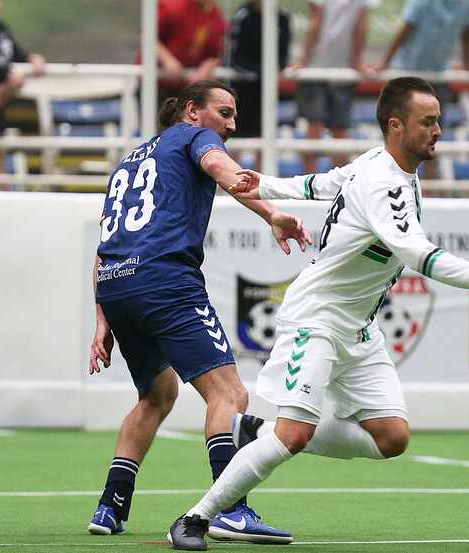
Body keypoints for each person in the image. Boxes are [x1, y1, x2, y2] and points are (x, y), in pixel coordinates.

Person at [166, 76, 469, 550]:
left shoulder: (378, 165)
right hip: (318, 318)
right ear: (394, 124)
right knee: (295, 434)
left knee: (391, 437)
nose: (438, 131)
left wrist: (263, 182)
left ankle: (255, 430)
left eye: (439, 121)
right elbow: (419, 256)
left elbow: (318, 182)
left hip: (359, 329)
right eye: (427, 122)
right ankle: (195, 518)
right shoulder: (385, 184)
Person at [86, 80, 312, 544]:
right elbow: (217, 165)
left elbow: (107, 243)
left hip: (117, 284)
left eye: (234, 116)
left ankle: (111, 505)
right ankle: (231, 508)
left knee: (156, 395)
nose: (231, 124)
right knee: (229, 395)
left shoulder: (128, 162)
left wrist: (102, 316)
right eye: (224, 113)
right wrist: (270, 211)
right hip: (164, 281)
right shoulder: (194, 137)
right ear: (192, 111)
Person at [376, 0, 469, 182]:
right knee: (398, 136)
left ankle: (428, 191)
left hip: (437, 77)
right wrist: (384, 64)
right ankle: (388, 184)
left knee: (432, 136)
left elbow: (467, 29)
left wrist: (468, 64)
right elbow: (405, 28)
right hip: (406, 74)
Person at [293, 0, 378, 173]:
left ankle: (308, 189)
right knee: (340, 133)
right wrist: (356, 62)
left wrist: (303, 61)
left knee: (313, 131)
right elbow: (361, 27)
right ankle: (341, 188)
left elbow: (316, 24)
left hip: (315, 68)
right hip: (343, 70)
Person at [0, 0, 45, 178]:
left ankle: (1, 191)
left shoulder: (1, 29)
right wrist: (7, 74)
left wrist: (32, 58)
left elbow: (15, 53)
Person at [228, 0, 291, 140]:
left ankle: (262, 163)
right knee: (236, 134)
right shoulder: (243, 16)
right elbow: (234, 57)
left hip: (267, 90)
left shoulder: (282, 17)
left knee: (265, 135)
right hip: (242, 88)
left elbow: (283, 55)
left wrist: (274, 71)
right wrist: (261, 73)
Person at [152, 0, 226, 104]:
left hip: (187, 90)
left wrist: (206, 68)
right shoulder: (172, 5)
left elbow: (215, 54)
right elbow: (148, 35)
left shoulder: (216, 16)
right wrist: (167, 60)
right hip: (156, 84)